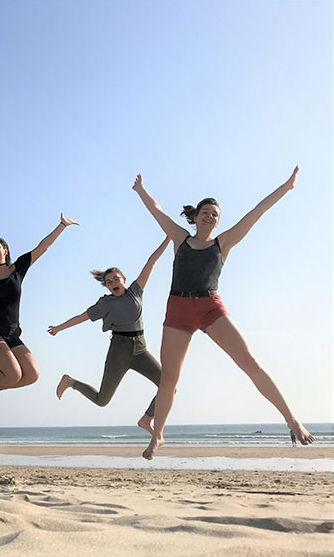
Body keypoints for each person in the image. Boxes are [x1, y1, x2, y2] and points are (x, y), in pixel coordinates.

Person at [132, 168, 314, 459]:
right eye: (206, 212)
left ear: (218, 221)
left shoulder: (223, 243)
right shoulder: (180, 239)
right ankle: (158, 436)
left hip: (209, 307)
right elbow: (158, 211)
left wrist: (287, 187)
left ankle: (292, 420)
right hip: (177, 309)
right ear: (196, 216)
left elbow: (258, 211)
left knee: (250, 362)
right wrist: (141, 191)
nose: (210, 216)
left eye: (215, 214)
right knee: (169, 379)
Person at [0, 214, 79, 415]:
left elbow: (42, 247)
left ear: (5, 250)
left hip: (12, 334)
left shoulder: (17, 269)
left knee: (31, 375)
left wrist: (62, 225)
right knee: (13, 374)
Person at [47, 237, 170, 433]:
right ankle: (71, 382)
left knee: (168, 385)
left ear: (124, 280)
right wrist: (58, 328)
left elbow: (151, 261)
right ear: (106, 286)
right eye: (108, 281)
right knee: (102, 400)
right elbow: (80, 317)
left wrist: (169, 237)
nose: (112, 282)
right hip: (119, 352)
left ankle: (146, 419)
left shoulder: (135, 292)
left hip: (140, 349)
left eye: (115, 279)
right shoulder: (105, 304)